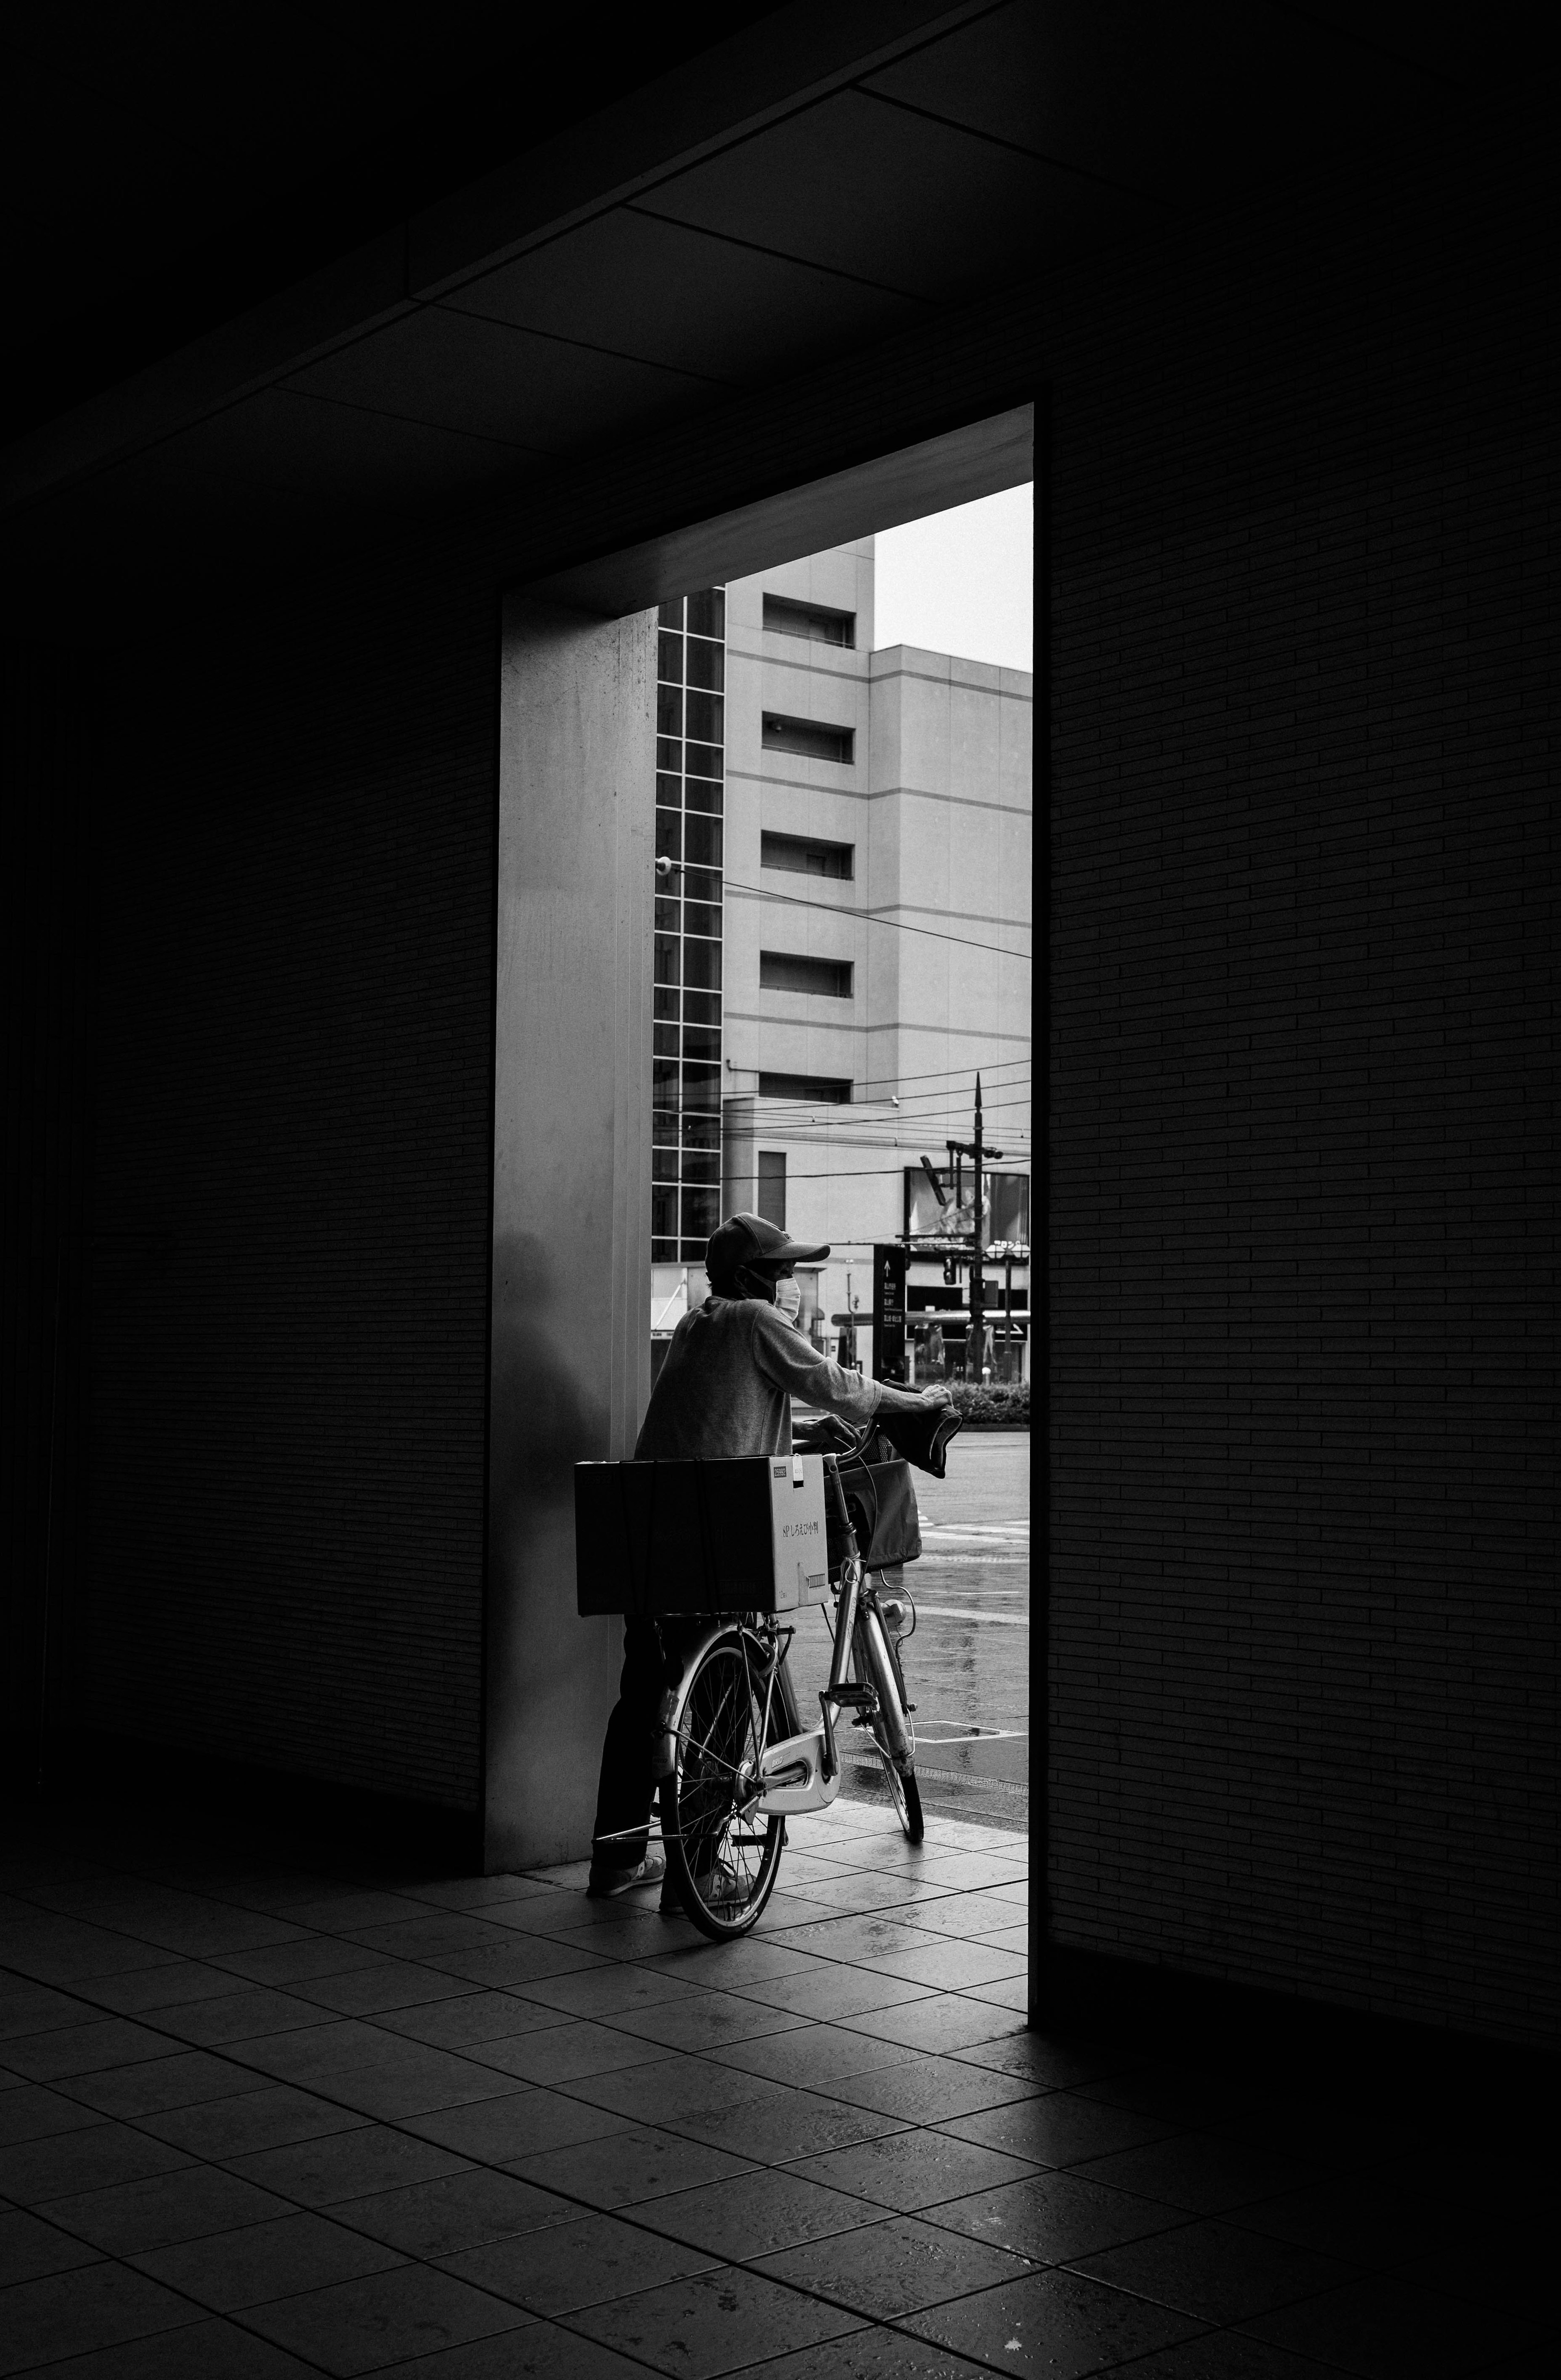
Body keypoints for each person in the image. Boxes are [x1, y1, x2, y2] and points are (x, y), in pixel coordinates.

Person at [586, 1211, 952, 1899]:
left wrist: (805, 1423)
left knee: (642, 1698)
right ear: (754, 1276)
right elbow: (837, 1385)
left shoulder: (700, 1324)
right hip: (718, 1535)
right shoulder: (756, 1320)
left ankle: (617, 1861)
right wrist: (913, 1400)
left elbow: (732, 1408)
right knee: (728, 1688)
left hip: (650, 1529)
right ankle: (698, 1872)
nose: (788, 1282)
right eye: (781, 1270)